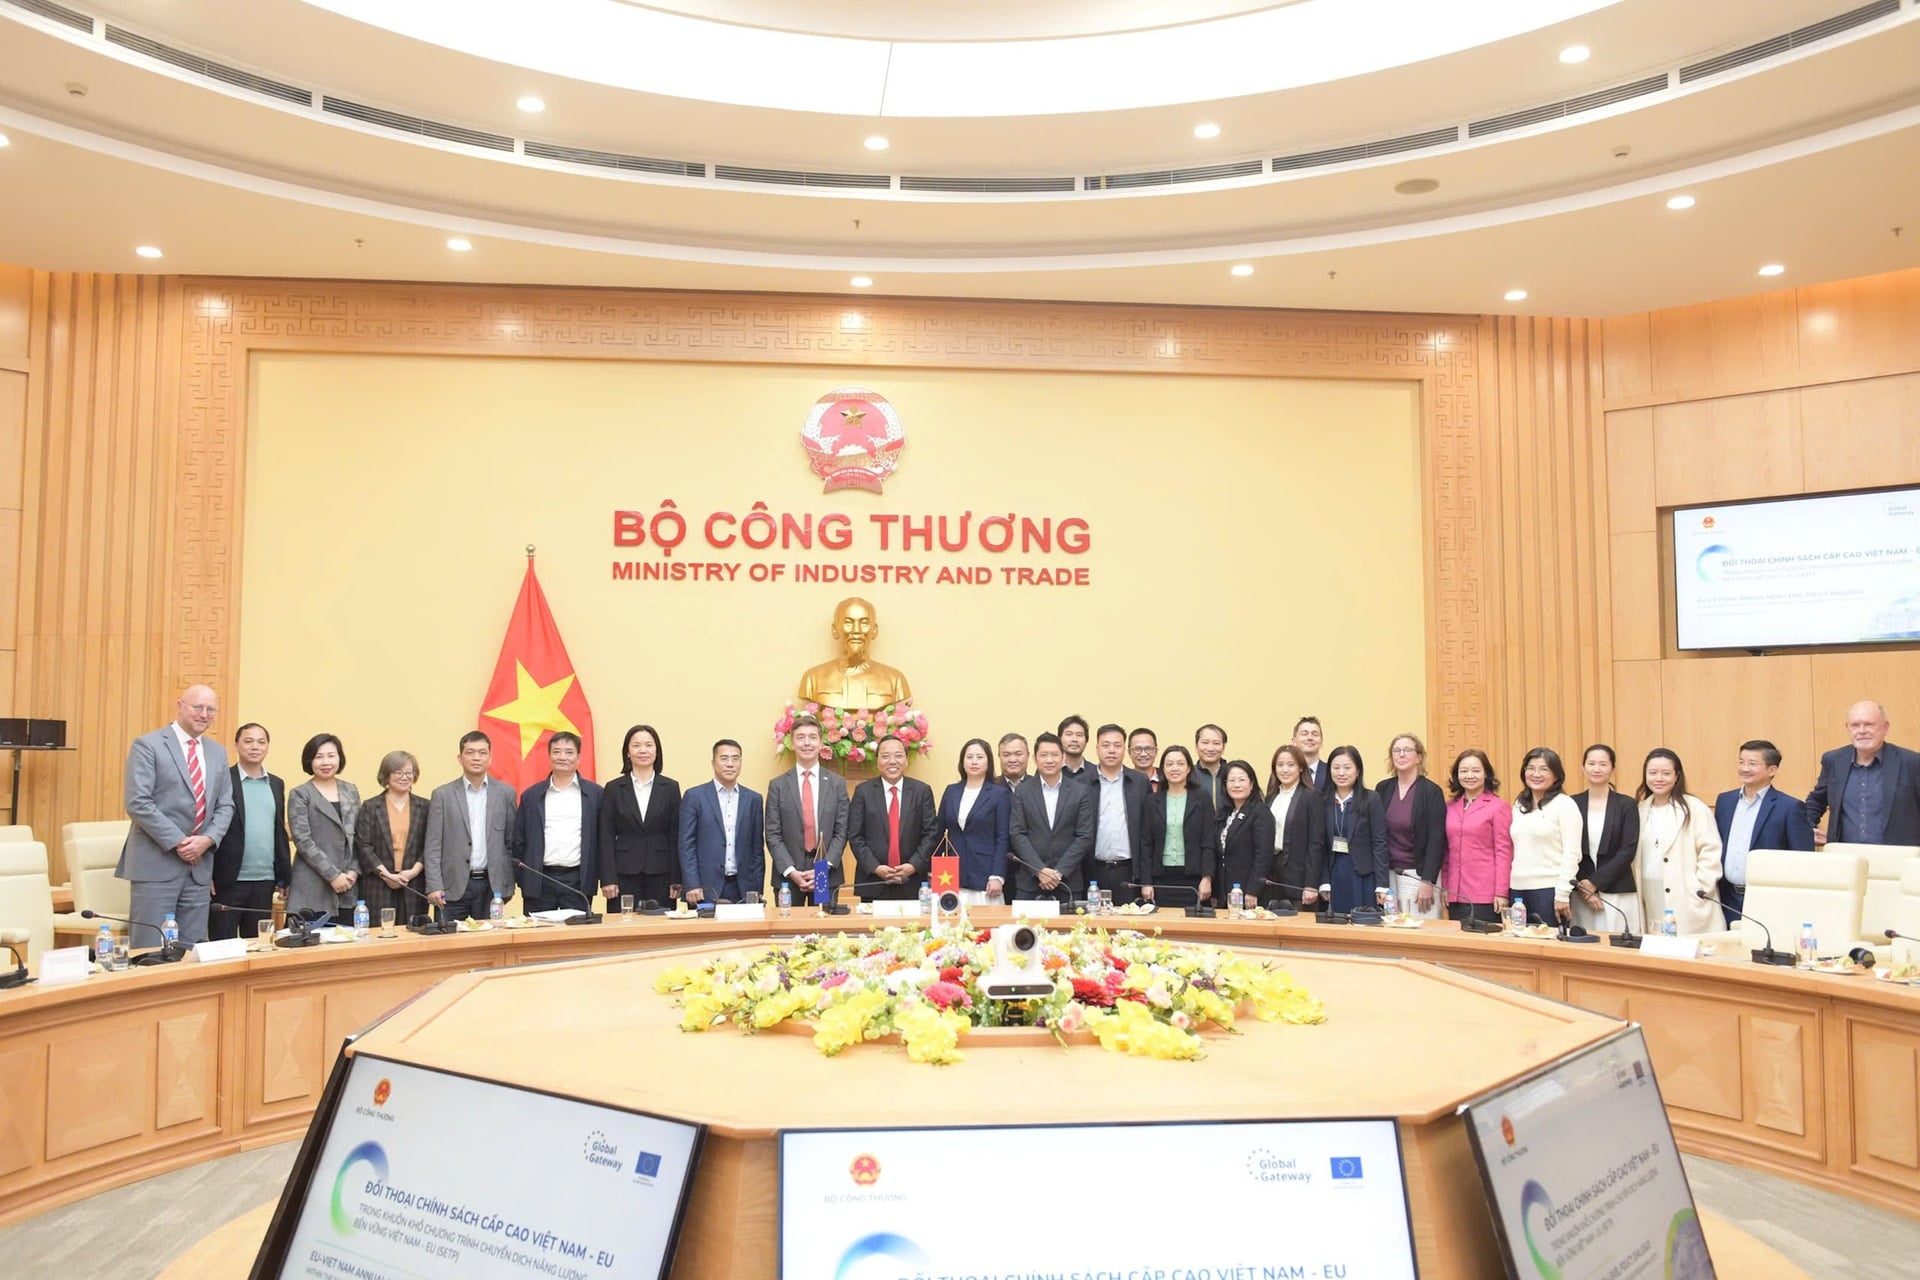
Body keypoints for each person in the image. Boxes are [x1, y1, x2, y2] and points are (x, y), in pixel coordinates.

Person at [117, 686, 234, 949]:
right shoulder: (148, 745)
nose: (204, 714)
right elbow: (138, 802)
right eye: (197, 707)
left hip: (199, 868)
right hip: (157, 864)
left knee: (193, 951)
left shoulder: (218, 752)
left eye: (211, 709)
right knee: (150, 951)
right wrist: (180, 842)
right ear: (180, 705)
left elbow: (226, 805)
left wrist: (207, 840)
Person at [1714, 739, 1816, 926]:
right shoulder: (1725, 801)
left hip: (1769, 900)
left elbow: (1802, 859)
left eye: (1752, 763)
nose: (1744, 768)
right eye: (1741, 762)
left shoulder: (1790, 807)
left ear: (1772, 770)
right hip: (1727, 899)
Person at [424, 731, 517, 922]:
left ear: (490, 758)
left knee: (489, 939)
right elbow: (433, 845)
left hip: (491, 887)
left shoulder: (506, 793)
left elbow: (511, 843)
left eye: (482, 753)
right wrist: (434, 885)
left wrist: (507, 884)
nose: (476, 758)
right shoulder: (442, 795)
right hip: (451, 887)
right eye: (470, 752)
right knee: (448, 939)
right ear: (460, 758)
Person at [209, 721, 289, 942]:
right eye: (248, 741)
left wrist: (284, 876)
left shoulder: (276, 784)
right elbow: (209, 827)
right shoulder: (222, 780)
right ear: (236, 745)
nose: (255, 747)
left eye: (261, 742)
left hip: (265, 880)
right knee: (223, 944)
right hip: (227, 879)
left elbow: (278, 831)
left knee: (258, 944)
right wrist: (206, 874)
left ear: (267, 747)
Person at [1804, 700, 1920, 847]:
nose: (1862, 731)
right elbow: (1816, 802)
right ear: (1847, 728)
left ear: (1885, 727)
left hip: (1897, 856)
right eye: (1855, 725)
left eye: (1869, 724)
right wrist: (1805, 829)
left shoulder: (1912, 763)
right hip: (1846, 855)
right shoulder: (1834, 761)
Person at [513, 732, 604, 914]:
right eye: (556, 752)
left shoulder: (596, 795)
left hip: (577, 881)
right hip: (539, 879)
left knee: (576, 931)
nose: (562, 757)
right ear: (549, 756)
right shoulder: (531, 796)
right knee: (538, 931)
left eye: (569, 752)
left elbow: (603, 839)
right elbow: (518, 841)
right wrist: (523, 878)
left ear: (579, 757)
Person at [766, 713, 851, 904]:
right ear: (792, 743)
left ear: (821, 743)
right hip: (788, 876)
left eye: (812, 737)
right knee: (787, 924)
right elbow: (772, 834)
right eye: (800, 737)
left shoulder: (837, 784)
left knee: (823, 922)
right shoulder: (778, 785)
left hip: (825, 873)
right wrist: (790, 870)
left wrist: (824, 868)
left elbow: (842, 831)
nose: (807, 743)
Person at [1636, 748, 1722, 935]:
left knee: (1686, 946)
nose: (1659, 778)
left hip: (1687, 896)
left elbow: (1710, 850)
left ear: (1677, 776)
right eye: (1653, 773)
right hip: (1651, 894)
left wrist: (1701, 887)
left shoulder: (1694, 808)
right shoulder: (1640, 810)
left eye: (1666, 773)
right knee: (1658, 944)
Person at [596, 725, 682, 907]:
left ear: (657, 751)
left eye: (649, 745)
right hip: (623, 874)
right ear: (627, 752)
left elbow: (676, 835)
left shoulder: (670, 787)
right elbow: (605, 837)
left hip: (661, 872)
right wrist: (608, 878)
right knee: (624, 922)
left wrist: (677, 878)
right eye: (636, 745)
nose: (643, 750)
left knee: (660, 923)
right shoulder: (613, 788)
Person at [848, 735, 937, 901]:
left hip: (913, 882)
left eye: (898, 755)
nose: (892, 761)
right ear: (877, 761)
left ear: (906, 760)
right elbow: (855, 836)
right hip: (873, 882)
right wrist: (875, 867)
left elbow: (931, 834)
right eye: (885, 756)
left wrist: (913, 865)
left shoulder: (921, 791)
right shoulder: (863, 792)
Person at [678, 739, 766, 904]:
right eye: (724, 758)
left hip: (743, 887)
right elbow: (686, 845)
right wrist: (691, 884)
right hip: (704, 887)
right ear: (713, 763)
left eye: (735, 758)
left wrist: (757, 889)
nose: (730, 764)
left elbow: (757, 850)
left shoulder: (753, 799)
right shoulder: (694, 797)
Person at [1008, 732, 1093, 902]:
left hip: (1067, 882)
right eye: (1043, 755)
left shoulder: (1080, 791)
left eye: (1054, 755)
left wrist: (1059, 872)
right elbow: (1017, 833)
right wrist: (1039, 870)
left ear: (1063, 757)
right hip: (1030, 882)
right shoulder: (1022, 791)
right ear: (1035, 759)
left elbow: (1085, 836)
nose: (1049, 760)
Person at [286, 733, 363, 921]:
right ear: (309, 761)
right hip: (313, 885)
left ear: (339, 758)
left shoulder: (351, 790)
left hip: (348, 884)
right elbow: (303, 840)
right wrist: (333, 876)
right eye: (319, 757)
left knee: (347, 937)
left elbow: (360, 836)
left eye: (331, 756)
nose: (326, 762)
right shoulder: (301, 794)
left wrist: (354, 871)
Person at [1570, 745, 1641, 934]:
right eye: (1591, 763)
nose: (1597, 769)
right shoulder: (1572, 803)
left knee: (1619, 944)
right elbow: (1567, 848)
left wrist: (1595, 883)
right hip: (1581, 893)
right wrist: (1584, 886)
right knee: (1583, 944)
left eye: (1603, 764)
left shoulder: (1627, 805)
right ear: (1583, 767)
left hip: (1617, 892)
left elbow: (1628, 850)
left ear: (1613, 769)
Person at [1376, 733, 1448, 918]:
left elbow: (1436, 839)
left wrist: (1428, 881)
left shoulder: (1431, 792)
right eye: (1396, 750)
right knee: (1391, 928)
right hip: (1388, 875)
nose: (1401, 754)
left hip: (1418, 876)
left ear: (1419, 757)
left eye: (1407, 750)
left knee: (1420, 929)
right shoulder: (1382, 789)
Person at [796, 596, 912, 710]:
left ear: (874, 630)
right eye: (848, 623)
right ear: (835, 629)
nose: (856, 630)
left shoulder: (895, 680)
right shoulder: (813, 679)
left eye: (864, 623)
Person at [353, 750, 428, 926]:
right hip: (378, 884)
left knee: (413, 934)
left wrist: (413, 872)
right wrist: (387, 875)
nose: (404, 777)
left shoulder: (425, 807)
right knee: (380, 933)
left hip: (414, 883)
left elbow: (430, 845)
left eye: (409, 772)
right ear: (386, 775)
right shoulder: (371, 807)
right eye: (398, 772)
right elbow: (364, 846)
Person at [1508, 747, 1581, 926]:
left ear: (1556, 775)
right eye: (1531, 768)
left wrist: (1563, 892)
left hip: (1549, 890)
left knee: (1548, 941)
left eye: (1544, 769)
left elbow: (1572, 853)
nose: (1536, 774)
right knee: (1518, 940)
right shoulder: (1519, 804)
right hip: (1517, 888)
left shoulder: (1565, 804)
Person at [1137, 746, 1215, 907]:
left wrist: (1207, 877)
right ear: (1163, 769)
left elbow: (1209, 841)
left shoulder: (1202, 798)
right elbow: (1146, 844)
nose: (1174, 768)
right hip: (1160, 878)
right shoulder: (1152, 801)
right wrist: (1146, 882)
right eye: (1169, 764)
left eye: (1180, 764)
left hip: (1193, 878)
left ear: (1188, 768)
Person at [1442, 749, 1511, 924]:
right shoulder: (1449, 807)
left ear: (1486, 774)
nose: (1469, 776)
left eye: (1476, 770)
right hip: (1455, 893)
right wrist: (1445, 887)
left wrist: (1501, 892)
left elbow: (1504, 852)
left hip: (1486, 894)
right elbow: (1446, 852)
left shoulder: (1498, 807)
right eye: (1464, 771)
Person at [937, 738, 1011, 903]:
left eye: (980, 757)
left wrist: (997, 875)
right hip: (951, 874)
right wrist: (932, 869)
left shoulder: (999, 794)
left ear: (988, 761)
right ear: (962, 762)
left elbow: (1002, 838)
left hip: (985, 874)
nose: (974, 762)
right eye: (969, 757)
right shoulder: (951, 791)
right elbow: (939, 833)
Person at [1318, 746, 1388, 914]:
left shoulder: (1371, 799)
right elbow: (1319, 844)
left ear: (1358, 771)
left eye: (1347, 767)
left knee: (1363, 922)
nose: (1341, 773)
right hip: (1335, 874)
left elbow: (1379, 842)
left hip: (1363, 875)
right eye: (1336, 768)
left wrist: (1382, 884)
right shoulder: (1322, 800)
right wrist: (1324, 880)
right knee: (1337, 922)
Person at [1085, 724, 1149, 904]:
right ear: (1097, 749)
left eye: (1117, 745)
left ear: (1125, 750)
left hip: (1128, 871)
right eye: (1105, 745)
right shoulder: (1082, 783)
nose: (1111, 750)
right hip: (1093, 871)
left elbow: (1147, 832)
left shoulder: (1139, 781)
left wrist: (1146, 878)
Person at [1265, 745, 1325, 907]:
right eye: (1280, 765)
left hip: (1299, 878)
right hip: (1273, 875)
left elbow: (1316, 844)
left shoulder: (1311, 797)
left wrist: (1311, 884)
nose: (1285, 770)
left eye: (1291, 765)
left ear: (1301, 768)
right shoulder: (1271, 797)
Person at [1215, 761, 1276, 908]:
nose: (1236, 785)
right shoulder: (1224, 813)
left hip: (1249, 891)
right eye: (1231, 780)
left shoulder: (1260, 812)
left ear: (1252, 784)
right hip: (1226, 890)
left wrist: (1253, 890)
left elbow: (1263, 855)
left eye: (1242, 780)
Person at [1193, 723, 1230, 811]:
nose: (1210, 748)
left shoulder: (1232, 774)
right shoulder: (1188, 774)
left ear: (1223, 748)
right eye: (1205, 742)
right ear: (1196, 746)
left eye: (1216, 743)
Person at [1293, 716, 1328, 791]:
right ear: (1294, 741)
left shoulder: (1331, 772)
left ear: (1321, 742)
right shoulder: (1284, 772)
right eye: (1304, 734)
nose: (1310, 738)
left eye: (1315, 734)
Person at [1057, 715, 1094, 784]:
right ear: (1059, 739)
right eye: (1069, 734)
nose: (1074, 739)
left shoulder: (1096, 773)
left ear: (1086, 741)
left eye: (1079, 735)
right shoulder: (1050, 770)